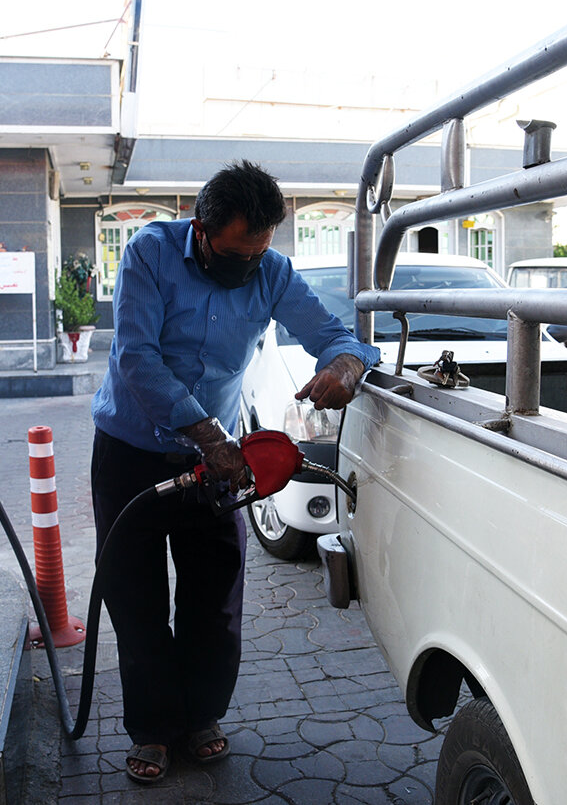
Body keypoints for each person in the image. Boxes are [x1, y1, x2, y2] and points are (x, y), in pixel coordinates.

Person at [89, 160, 380, 783]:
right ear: (200, 230)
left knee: (215, 594)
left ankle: (201, 717)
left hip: (216, 462)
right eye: (233, 255)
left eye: (257, 254)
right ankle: (152, 729)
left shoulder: (270, 272)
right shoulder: (150, 254)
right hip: (133, 451)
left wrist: (347, 366)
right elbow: (135, 357)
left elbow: (335, 334)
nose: (245, 268)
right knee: (135, 597)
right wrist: (208, 434)